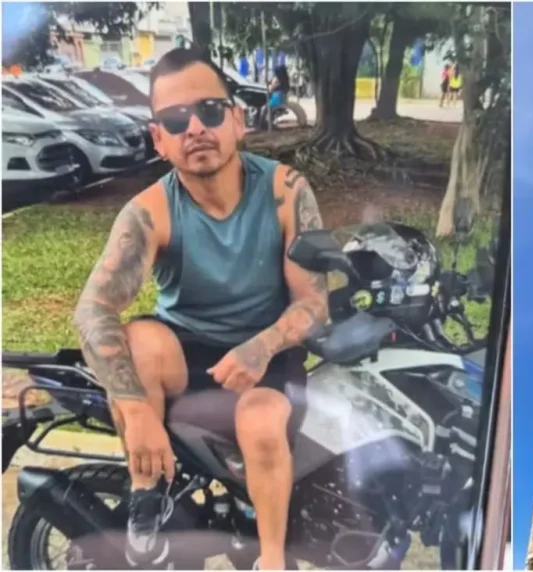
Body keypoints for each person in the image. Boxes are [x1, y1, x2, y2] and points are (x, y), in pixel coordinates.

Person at [72, 47, 328, 570]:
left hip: (265, 352)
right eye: (175, 119)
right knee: (138, 338)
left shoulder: (285, 191)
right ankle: (145, 495)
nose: (195, 128)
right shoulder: (150, 211)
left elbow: (314, 301)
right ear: (159, 139)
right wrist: (137, 410)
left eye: (210, 111)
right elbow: (92, 311)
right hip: (182, 349)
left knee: (261, 425)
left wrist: (260, 348)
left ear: (237, 120)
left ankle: (274, 560)